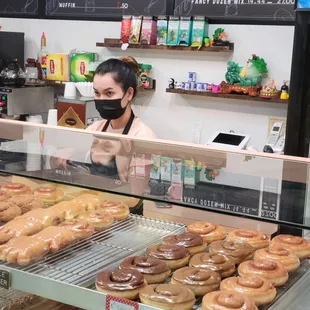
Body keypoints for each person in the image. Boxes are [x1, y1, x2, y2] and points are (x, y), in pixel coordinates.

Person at [51, 56, 155, 214]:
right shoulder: (96, 128)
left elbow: (135, 194)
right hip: (96, 209)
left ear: (129, 94)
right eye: (97, 93)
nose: (101, 100)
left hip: (126, 215)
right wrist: (61, 156)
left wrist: (121, 152)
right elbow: (57, 166)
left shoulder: (142, 136)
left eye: (109, 93)